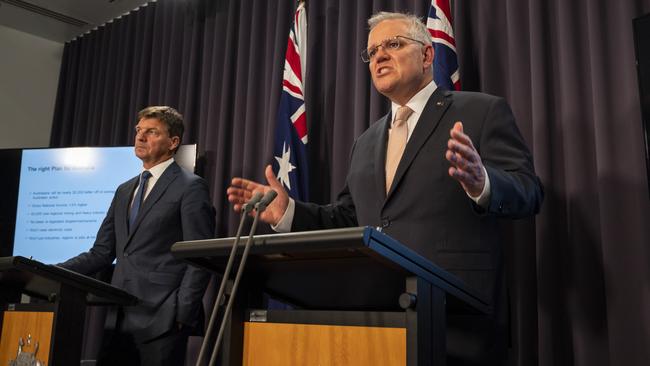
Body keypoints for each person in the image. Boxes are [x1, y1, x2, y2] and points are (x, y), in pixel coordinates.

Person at [227, 11, 543, 365]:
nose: (379, 56)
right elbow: (347, 218)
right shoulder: (365, 141)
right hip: (378, 325)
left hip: (458, 322)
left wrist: (483, 183)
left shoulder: (481, 111)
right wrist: (287, 212)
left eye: (393, 44)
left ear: (426, 55)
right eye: (372, 51)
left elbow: (529, 192)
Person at [57, 106, 215, 366]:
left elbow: (201, 256)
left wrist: (182, 313)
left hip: (163, 318)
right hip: (118, 318)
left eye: (151, 132)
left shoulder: (191, 187)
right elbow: (101, 252)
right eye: (139, 131)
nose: (140, 137)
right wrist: (52, 270)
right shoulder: (124, 190)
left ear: (173, 142)